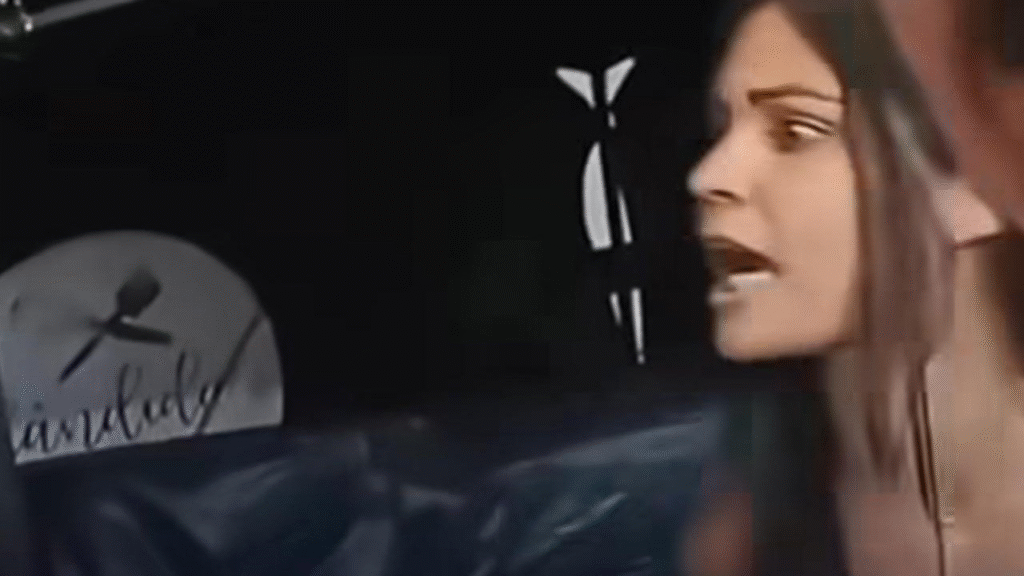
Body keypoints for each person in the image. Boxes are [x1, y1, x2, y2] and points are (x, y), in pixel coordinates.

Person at [684, 0, 1024, 574]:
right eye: (724, 127)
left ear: (969, 186)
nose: (711, 175)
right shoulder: (750, 522)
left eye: (794, 130)